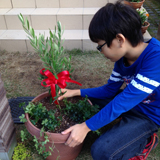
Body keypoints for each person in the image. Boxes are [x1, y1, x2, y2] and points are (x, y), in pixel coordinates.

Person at [58, 1, 160, 159]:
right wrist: (75, 92)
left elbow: (122, 102)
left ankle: (146, 141)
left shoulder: (156, 58)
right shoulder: (122, 59)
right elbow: (109, 90)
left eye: (100, 46)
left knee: (101, 152)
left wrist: (86, 127)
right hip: (128, 103)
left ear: (120, 39)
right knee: (86, 100)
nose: (100, 51)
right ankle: (122, 123)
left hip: (147, 115)